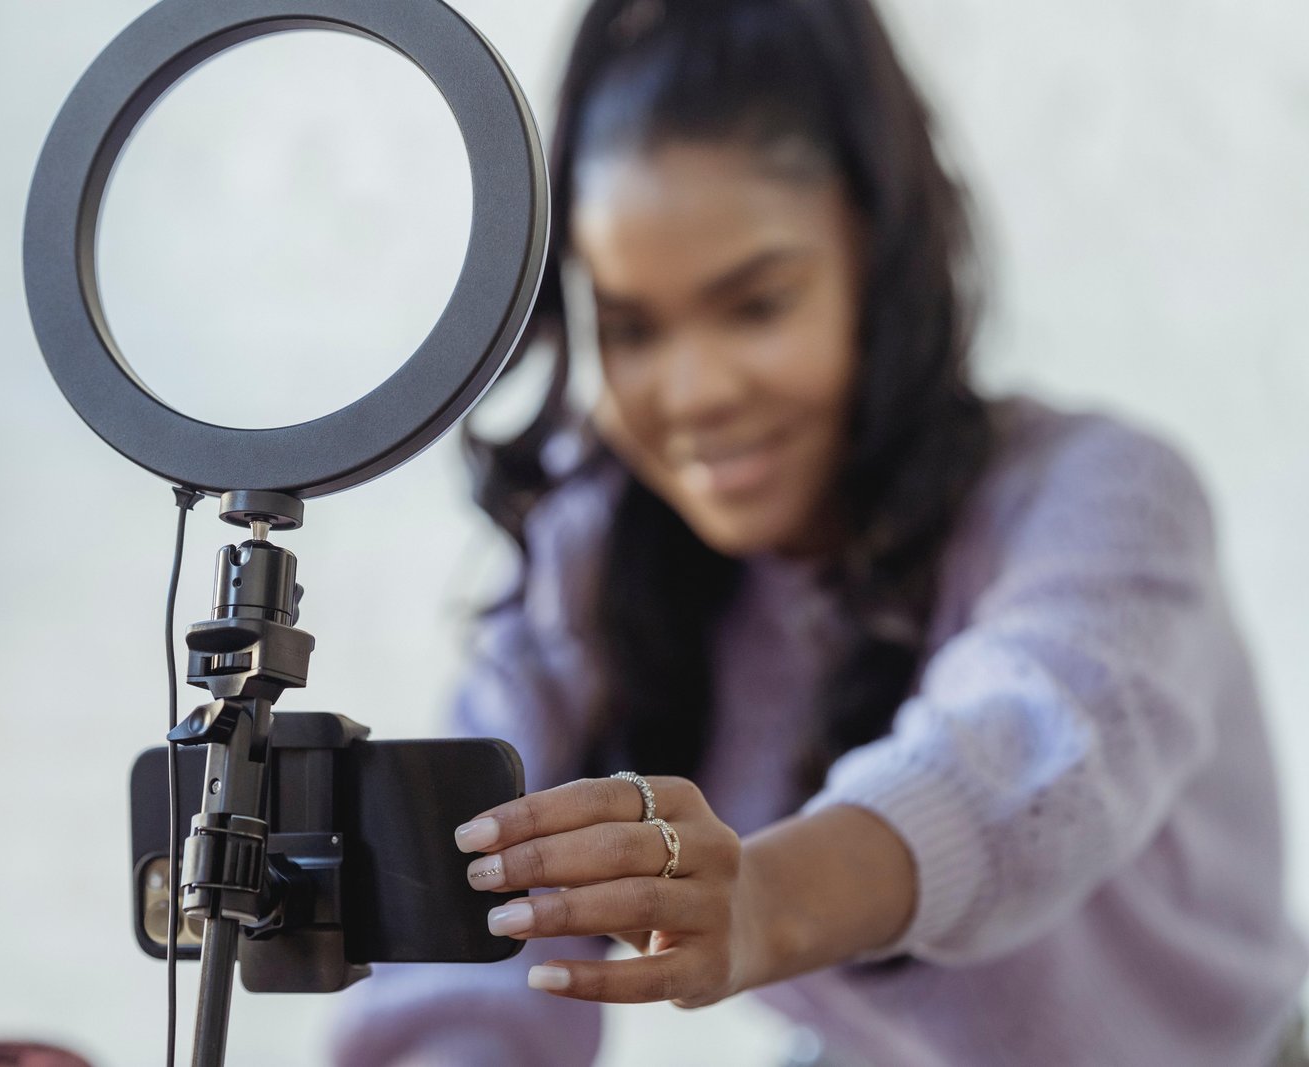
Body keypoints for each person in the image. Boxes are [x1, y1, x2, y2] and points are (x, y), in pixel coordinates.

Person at [331, 1, 1307, 1063]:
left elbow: (1020, 754)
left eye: (756, 305)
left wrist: (761, 899)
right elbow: (466, 940)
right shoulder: (592, 557)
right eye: (633, 329)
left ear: (875, 264)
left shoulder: (1105, 497)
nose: (693, 392)